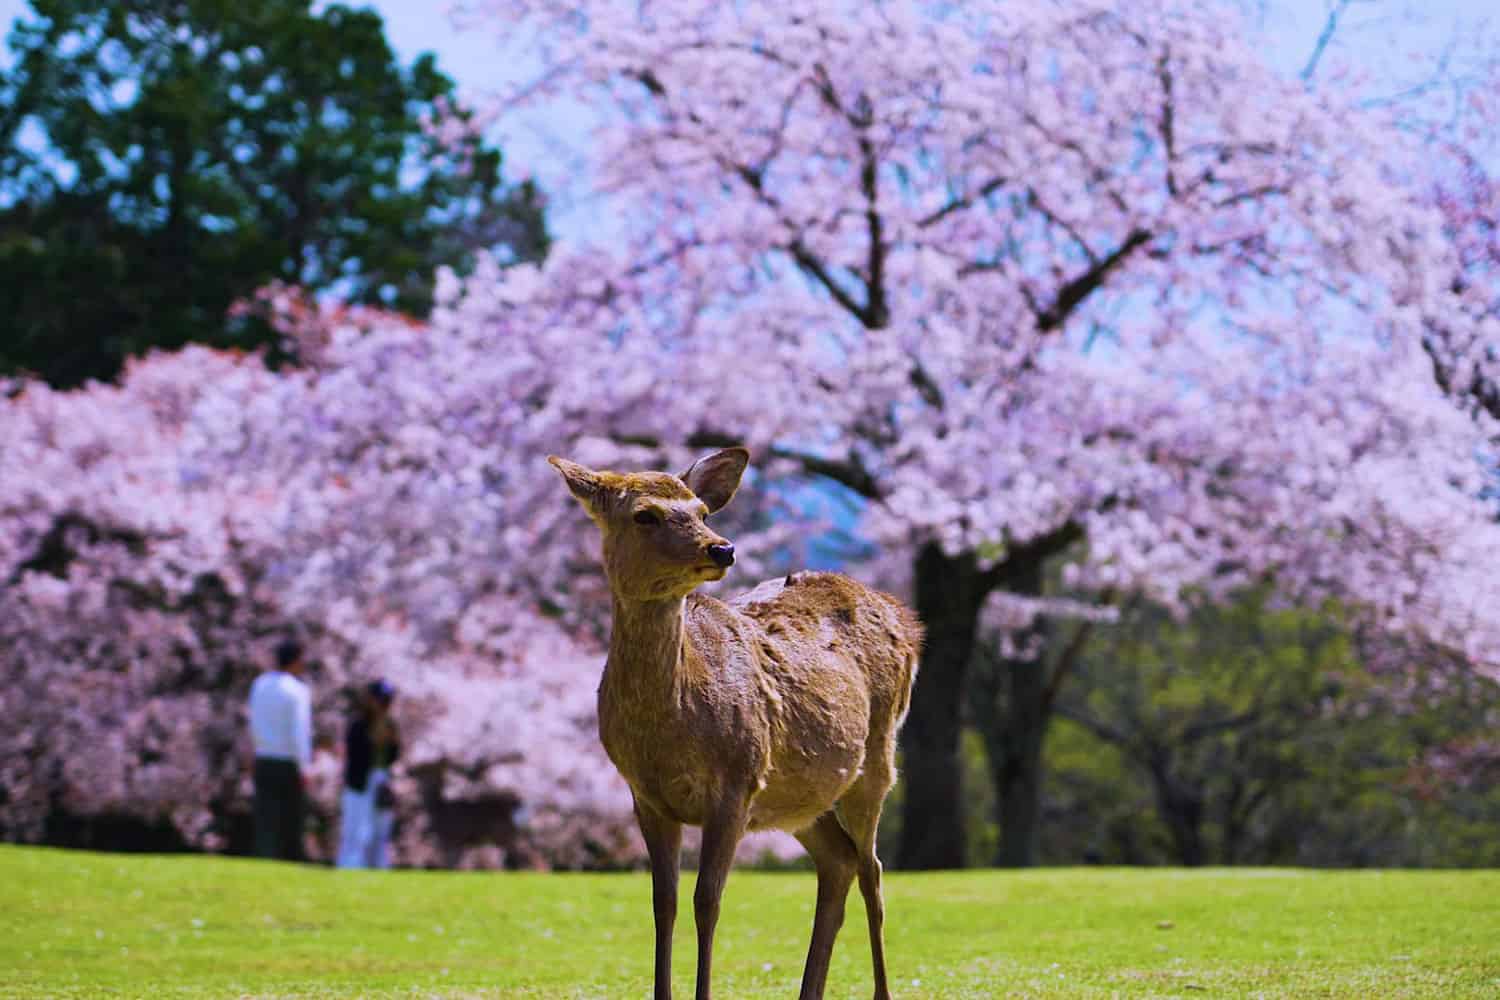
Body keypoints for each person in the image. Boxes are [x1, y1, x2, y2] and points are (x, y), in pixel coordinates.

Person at [247, 639, 312, 860]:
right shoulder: (297, 690)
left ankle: (265, 856)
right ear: (294, 660)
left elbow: (254, 723)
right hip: (287, 761)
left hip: (264, 758)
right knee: (289, 819)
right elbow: (299, 732)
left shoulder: (259, 685)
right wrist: (304, 765)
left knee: (265, 817)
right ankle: (287, 859)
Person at [337, 679, 400, 869]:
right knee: (355, 828)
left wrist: (391, 742)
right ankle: (351, 866)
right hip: (359, 782)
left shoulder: (391, 725)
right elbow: (355, 755)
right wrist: (372, 740)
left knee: (381, 829)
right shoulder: (358, 724)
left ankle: (378, 865)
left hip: (382, 780)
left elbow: (392, 757)